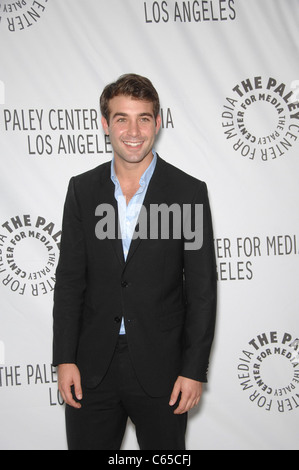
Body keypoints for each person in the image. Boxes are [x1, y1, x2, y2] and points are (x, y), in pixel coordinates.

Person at [52, 74, 217, 450]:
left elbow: (202, 290)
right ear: (105, 124)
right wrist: (64, 358)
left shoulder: (188, 192)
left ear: (158, 123)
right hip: (91, 368)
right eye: (122, 118)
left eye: (144, 118)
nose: (133, 130)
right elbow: (70, 281)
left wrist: (193, 371)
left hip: (163, 370)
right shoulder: (82, 189)